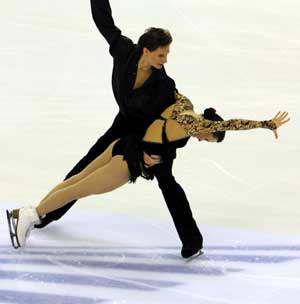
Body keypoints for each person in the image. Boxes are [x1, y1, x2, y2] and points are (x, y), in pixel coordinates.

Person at [34, 0, 204, 257]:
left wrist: (157, 152)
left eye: (167, 55)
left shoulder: (164, 85)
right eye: (161, 54)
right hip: (124, 122)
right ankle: (48, 212)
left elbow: (176, 119)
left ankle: (192, 240)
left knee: (166, 180)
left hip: (151, 133)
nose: (165, 60)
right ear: (145, 50)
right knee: (87, 164)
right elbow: (105, 22)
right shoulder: (125, 52)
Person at [7, 92, 289, 259]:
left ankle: (34, 216)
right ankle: (29, 215)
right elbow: (232, 123)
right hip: (128, 160)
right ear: (208, 127)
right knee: (80, 188)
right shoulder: (192, 122)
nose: (202, 140)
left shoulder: (181, 102)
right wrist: (266, 124)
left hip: (125, 142)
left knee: (75, 181)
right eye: (208, 138)